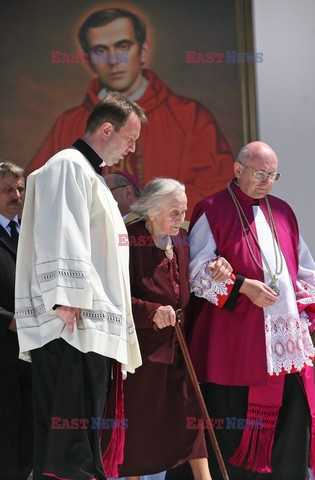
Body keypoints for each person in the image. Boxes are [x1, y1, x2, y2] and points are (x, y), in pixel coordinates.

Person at [15, 92, 146, 480]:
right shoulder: (67, 166)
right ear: (107, 129)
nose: (132, 148)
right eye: (130, 138)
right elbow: (61, 231)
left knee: (82, 435)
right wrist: (65, 297)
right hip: (70, 326)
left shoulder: (88, 174)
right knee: (67, 443)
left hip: (85, 328)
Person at [25, 7, 234, 218]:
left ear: (142, 51)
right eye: (100, 50)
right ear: (89, 60)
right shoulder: (68, 123)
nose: (113, 59)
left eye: (122, 46)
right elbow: (40, 194)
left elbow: (216, 189)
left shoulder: (190, 117)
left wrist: (147, 218)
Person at [188, 141, 315, 480]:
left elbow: (304, 272)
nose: (267, 182)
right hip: (236, 346)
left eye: (273, 175)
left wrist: (305, 306)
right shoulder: (212, 209)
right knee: (234, 432)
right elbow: (198, 274)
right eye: (260, 173)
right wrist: (243, 286)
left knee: (290, 434)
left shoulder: (283, 211)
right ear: (238, 169)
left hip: (284, 344)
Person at [105, 177, 231, 480]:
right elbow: (113, 297)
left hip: (178, 348)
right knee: (138, 429)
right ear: (150, 210)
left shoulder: (182, 238)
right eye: (174, 212)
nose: (180, 218)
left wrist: (218, 268)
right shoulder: (128, 239)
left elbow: (193, 284)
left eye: (183, 211)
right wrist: (151, 312)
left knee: (191, 419)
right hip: (141, 353)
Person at [0, 161, 33, 480]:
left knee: (29, 433)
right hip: (3, 352)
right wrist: (8, 320)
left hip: (33, 352)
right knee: (5, 436)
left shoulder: (31, 233)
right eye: (8, 189)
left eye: (20, 188)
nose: (17, 194)